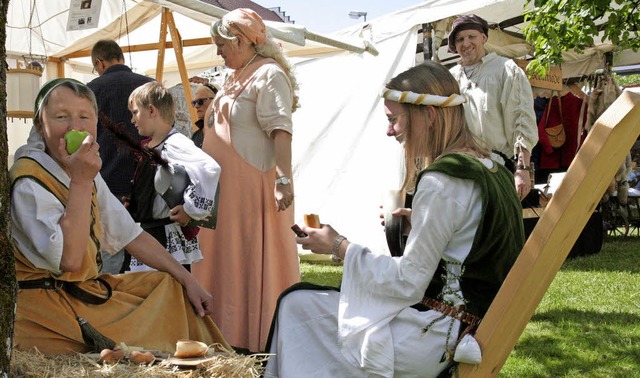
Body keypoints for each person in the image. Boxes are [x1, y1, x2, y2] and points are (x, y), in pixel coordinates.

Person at [265, 61, 524, 377]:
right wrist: (423, 223)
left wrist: (338, 246)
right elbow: (479, 233)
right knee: (309, 304)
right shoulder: (491, 166)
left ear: (427, 116)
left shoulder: (443, 180)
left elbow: (408, 283)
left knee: (296, 304)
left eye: (394, 120)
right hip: (470, 325)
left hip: (437, 337)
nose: (389, 131)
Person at [10, 78, 229, 355]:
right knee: (154, 329)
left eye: (84, 117)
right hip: (48, 311)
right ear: (41, 125)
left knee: (169, 286)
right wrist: (80, 181)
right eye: (61, 117)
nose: (75, 127)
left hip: (81, 295)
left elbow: (130, 234)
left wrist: (189, 281)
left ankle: (206, 362)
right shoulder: (29, 180)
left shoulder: (81, 170)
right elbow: (70, 260)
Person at [192, 8, 301, 353]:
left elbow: (281, 129)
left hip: (253, 189)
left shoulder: (269, 74)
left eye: (221, 44)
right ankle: (226, 334)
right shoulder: (236, 76)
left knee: (251, 259)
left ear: (240, 40)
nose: (218, 51)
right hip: (226, 194)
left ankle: (257, 338)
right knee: (227, 261)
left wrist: (283, 179)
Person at [124, 81, 221, 272]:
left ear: (152, 110)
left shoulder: (175, 143)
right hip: (148, 232)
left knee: (168, 293)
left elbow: (209, 168)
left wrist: (191, 210)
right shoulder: (149, 146)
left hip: (163, 235)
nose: (132, 120)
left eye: (135, 112)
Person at [448, 14, 538, 200]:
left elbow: (521, 119)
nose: (466, 43)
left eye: (471, 37)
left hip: (496, 167)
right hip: (459, 170)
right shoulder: (451, 77)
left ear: (484, 38)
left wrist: (522, 169)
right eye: (460, 39)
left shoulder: (506, 69)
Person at [87, 39, 155, 274]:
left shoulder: (90, 90)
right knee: (148, 257)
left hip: (107, 182)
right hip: (149, 184)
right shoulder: (150, 86)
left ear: (99, 62)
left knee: (111, 254)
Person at [191, 83, 218, 148]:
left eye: (201, 101)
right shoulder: (196, 136)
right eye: (194, 103)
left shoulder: (225, 130)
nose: (196, 106)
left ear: (215, 100)